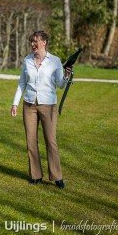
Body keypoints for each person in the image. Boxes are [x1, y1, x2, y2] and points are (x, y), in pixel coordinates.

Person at [11, 31, 71, 189]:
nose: (32, 44)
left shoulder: (55, 61)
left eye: (35, 41)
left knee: (51, 141)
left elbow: (60, 84)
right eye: (31, 41)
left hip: (48, 105)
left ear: (44, 42)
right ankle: (35, 175)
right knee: (31, 142)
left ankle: (57, 176)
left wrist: (66, 76)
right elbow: (22, 83)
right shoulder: (27, 60)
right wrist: (15, 103)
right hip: (29, 105)